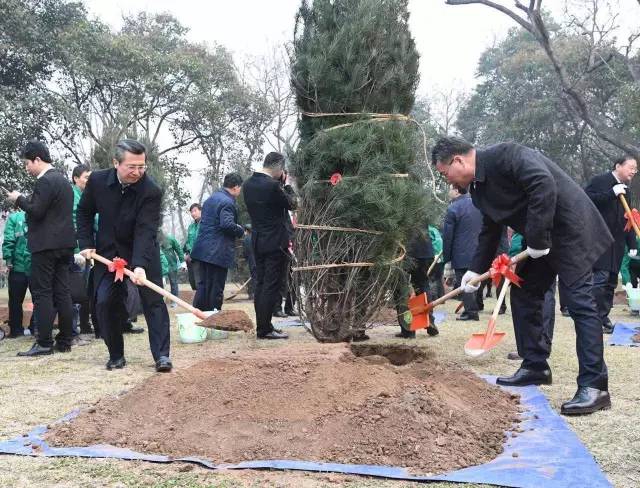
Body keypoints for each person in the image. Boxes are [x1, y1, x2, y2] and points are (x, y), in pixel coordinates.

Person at [432, 136, 612, 416]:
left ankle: (595, 386)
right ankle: (535, 365)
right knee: (525, 291)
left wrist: (538, 237)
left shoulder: (507, 155)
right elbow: (490, 230)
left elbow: (543, 184)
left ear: (458, 160)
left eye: (445, 173)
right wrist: (474, 270)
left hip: (570, 230)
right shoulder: (478, 190)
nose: (447, 181)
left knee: (579, 303)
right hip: (540, 240)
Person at [77, 139, 172, 372]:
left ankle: (161, 355)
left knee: (153, 302)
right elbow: (84, 212)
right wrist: (87, 243)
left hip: (142, 251)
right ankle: (116, 355)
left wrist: (139, 265)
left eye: (142, 166)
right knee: (104, 301)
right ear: (115, 163)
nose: (137, 172)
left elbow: (145, 229)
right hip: (107, 253)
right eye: (131, 166)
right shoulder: (98, 181)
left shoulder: (151, 190)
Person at [7, 140, 75, 356]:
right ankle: (65, 339)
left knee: (42, 293)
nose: (27, 168)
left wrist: (18, 199)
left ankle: (44, 342)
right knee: (62, 292)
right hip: (64, 245)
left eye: (27, 163)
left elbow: (36, 211)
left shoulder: (45, 181)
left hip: (45, 246)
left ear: (37, 159)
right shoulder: (64, 182)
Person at [243, 152, 297, 340]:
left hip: (258, 240)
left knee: (261, 283)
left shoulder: (248, 184)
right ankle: (264, 329)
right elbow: (292, 203)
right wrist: (287, 184)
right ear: (278, 168)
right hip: (275, 243)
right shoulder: (273, 186)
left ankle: (264, 325)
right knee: (271, 285)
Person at [584, 156, 638, 334]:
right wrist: (610, 193)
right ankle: (591, 317)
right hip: (599, 239)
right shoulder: (600, 181)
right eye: (631, 167)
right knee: (600, 279)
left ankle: (603, 316)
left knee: (610, 282)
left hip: (617, 242)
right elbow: (585, 201)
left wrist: (632, 244)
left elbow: (628, 219)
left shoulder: (627, 191)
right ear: (618, 166)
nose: (634, 171)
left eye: (635, 169)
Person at [191, 173, 244, 312]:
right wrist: (240, 230)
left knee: (203, 286)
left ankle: (198, 317)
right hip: (217, 252)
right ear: (235, 187)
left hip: (203, 250)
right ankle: (214, 319)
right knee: (215, 288)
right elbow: (226, 224)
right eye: (240, 188)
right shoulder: (227, 202)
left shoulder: (210, 199)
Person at [442, 184, 482, 321]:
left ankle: (471, 312)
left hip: (461, 253)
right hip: (478, 251)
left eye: (450, 189)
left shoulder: (453, 208)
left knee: (464, 283)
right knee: (475, 280)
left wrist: (447, 257)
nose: (449, 192)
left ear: (457, 191)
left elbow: (448, 236)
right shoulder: (478, 205)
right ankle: (473, 308)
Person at [69, 164, 93, 341]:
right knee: (75, 290)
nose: (88, 181)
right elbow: (74, 224)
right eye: (86, 177)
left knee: (86, 289)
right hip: (77, 251)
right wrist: (77, 250)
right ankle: (74, 329)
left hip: (89, 250)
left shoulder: (89, 195)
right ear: (76, 178)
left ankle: (85, 325)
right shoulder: (71, 196)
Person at [2, 209, 32, 338]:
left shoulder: (13, 218)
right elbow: (8, 240)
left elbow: (9, 240)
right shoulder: (16, 218)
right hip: (31, 266)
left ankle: (16, 330)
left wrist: (9, 260)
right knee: (41, 299)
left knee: (15, 300)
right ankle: (36, 328)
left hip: (21, 267)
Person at [159, 231, 184, 306]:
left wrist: (182, 262)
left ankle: (174, 301)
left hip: (171, 265)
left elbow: (178, 249)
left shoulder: (170, 239)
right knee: (159, 284)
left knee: (173, 283)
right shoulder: (153, 240)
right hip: (161, 266)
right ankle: (160, 301)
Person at [183, 203, 201, 291]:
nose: (193, 213)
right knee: (192, 282)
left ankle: (202, 303)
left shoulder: (206, 224)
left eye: (195, 211)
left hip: (202, 258)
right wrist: (186, 252)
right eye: (191, 212)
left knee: (199, 282)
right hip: (191, 258)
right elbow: (188, 241)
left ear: (201, 211)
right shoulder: (191, 227)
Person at [242, 224, 257, 300]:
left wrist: (246, 258)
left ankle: (252, 294)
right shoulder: (255, 237)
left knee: (253, 278)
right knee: (257, 277)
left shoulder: (245, 239)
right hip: (258, 261)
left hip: (251, 261)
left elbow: (245, 252)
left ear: (246, 230)